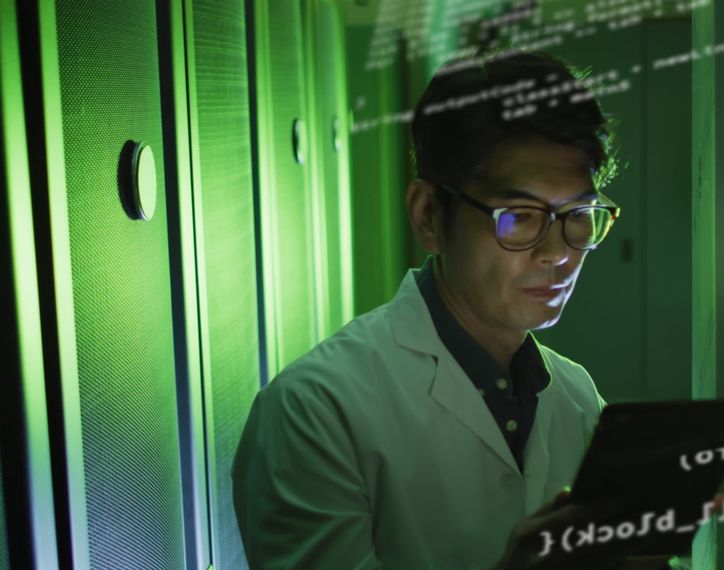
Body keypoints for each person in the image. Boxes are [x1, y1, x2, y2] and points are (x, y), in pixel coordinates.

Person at [232, 49, 660, 569]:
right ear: (429, 216)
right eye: (520, 216)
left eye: (580, 214)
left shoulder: (576, 396)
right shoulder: (313, 411)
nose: (558, 251)